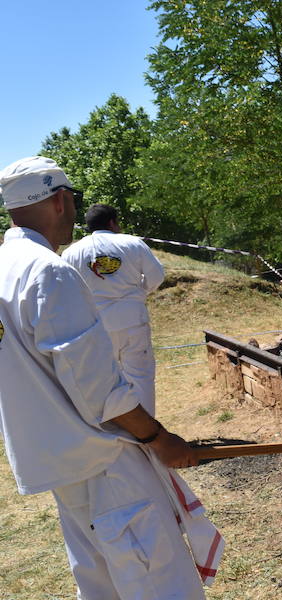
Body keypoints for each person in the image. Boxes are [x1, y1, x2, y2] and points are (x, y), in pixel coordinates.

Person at [0, 157, 209, 598]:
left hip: (58, 461)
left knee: (102, 584)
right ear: (60, 200)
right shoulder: (48, 270)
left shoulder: (6, 268)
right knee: (157, 580)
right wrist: (158, 437)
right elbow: (99, 391)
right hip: (103, 459)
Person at [62, 203, 166, 415]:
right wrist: (137, 295)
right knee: (140, 377)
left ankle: (116, 436)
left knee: (105, 382)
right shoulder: (132, 243)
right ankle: (148, 438)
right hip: (131, 321)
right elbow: (157, 276)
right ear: (112, 222)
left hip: (95, 325)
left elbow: (67, 290)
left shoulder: (71, 253)